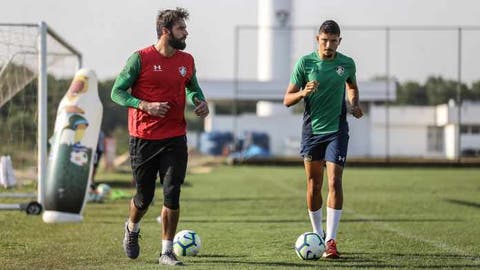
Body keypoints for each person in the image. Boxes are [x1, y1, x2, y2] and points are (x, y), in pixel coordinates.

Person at [110, 7, 208, 266]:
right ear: (166, 31)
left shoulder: (186, 60)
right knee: (144, 198)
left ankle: (167, 251)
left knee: (172, 193)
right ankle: (132, 227)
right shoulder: (139, 59)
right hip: (143, 137)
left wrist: (199, 102)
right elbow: (116, 93)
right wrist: (145, 106)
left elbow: (192, 88)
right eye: (181, 29)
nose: (186, 32)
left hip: (175, 135)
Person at [283, 20, 363, 259]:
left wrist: (354, 103)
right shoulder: (305, 63)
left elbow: (352, 86)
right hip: (312, 132)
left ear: (340, 41)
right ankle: (317, 234)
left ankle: (330, 240)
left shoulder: (346, 63)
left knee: (334, 181)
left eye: (333, 41)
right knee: (313, 185)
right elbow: (287, 99)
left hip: (337, 130)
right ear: (317, 39)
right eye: (324, 40)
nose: (329, 45)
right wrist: (302, 93)